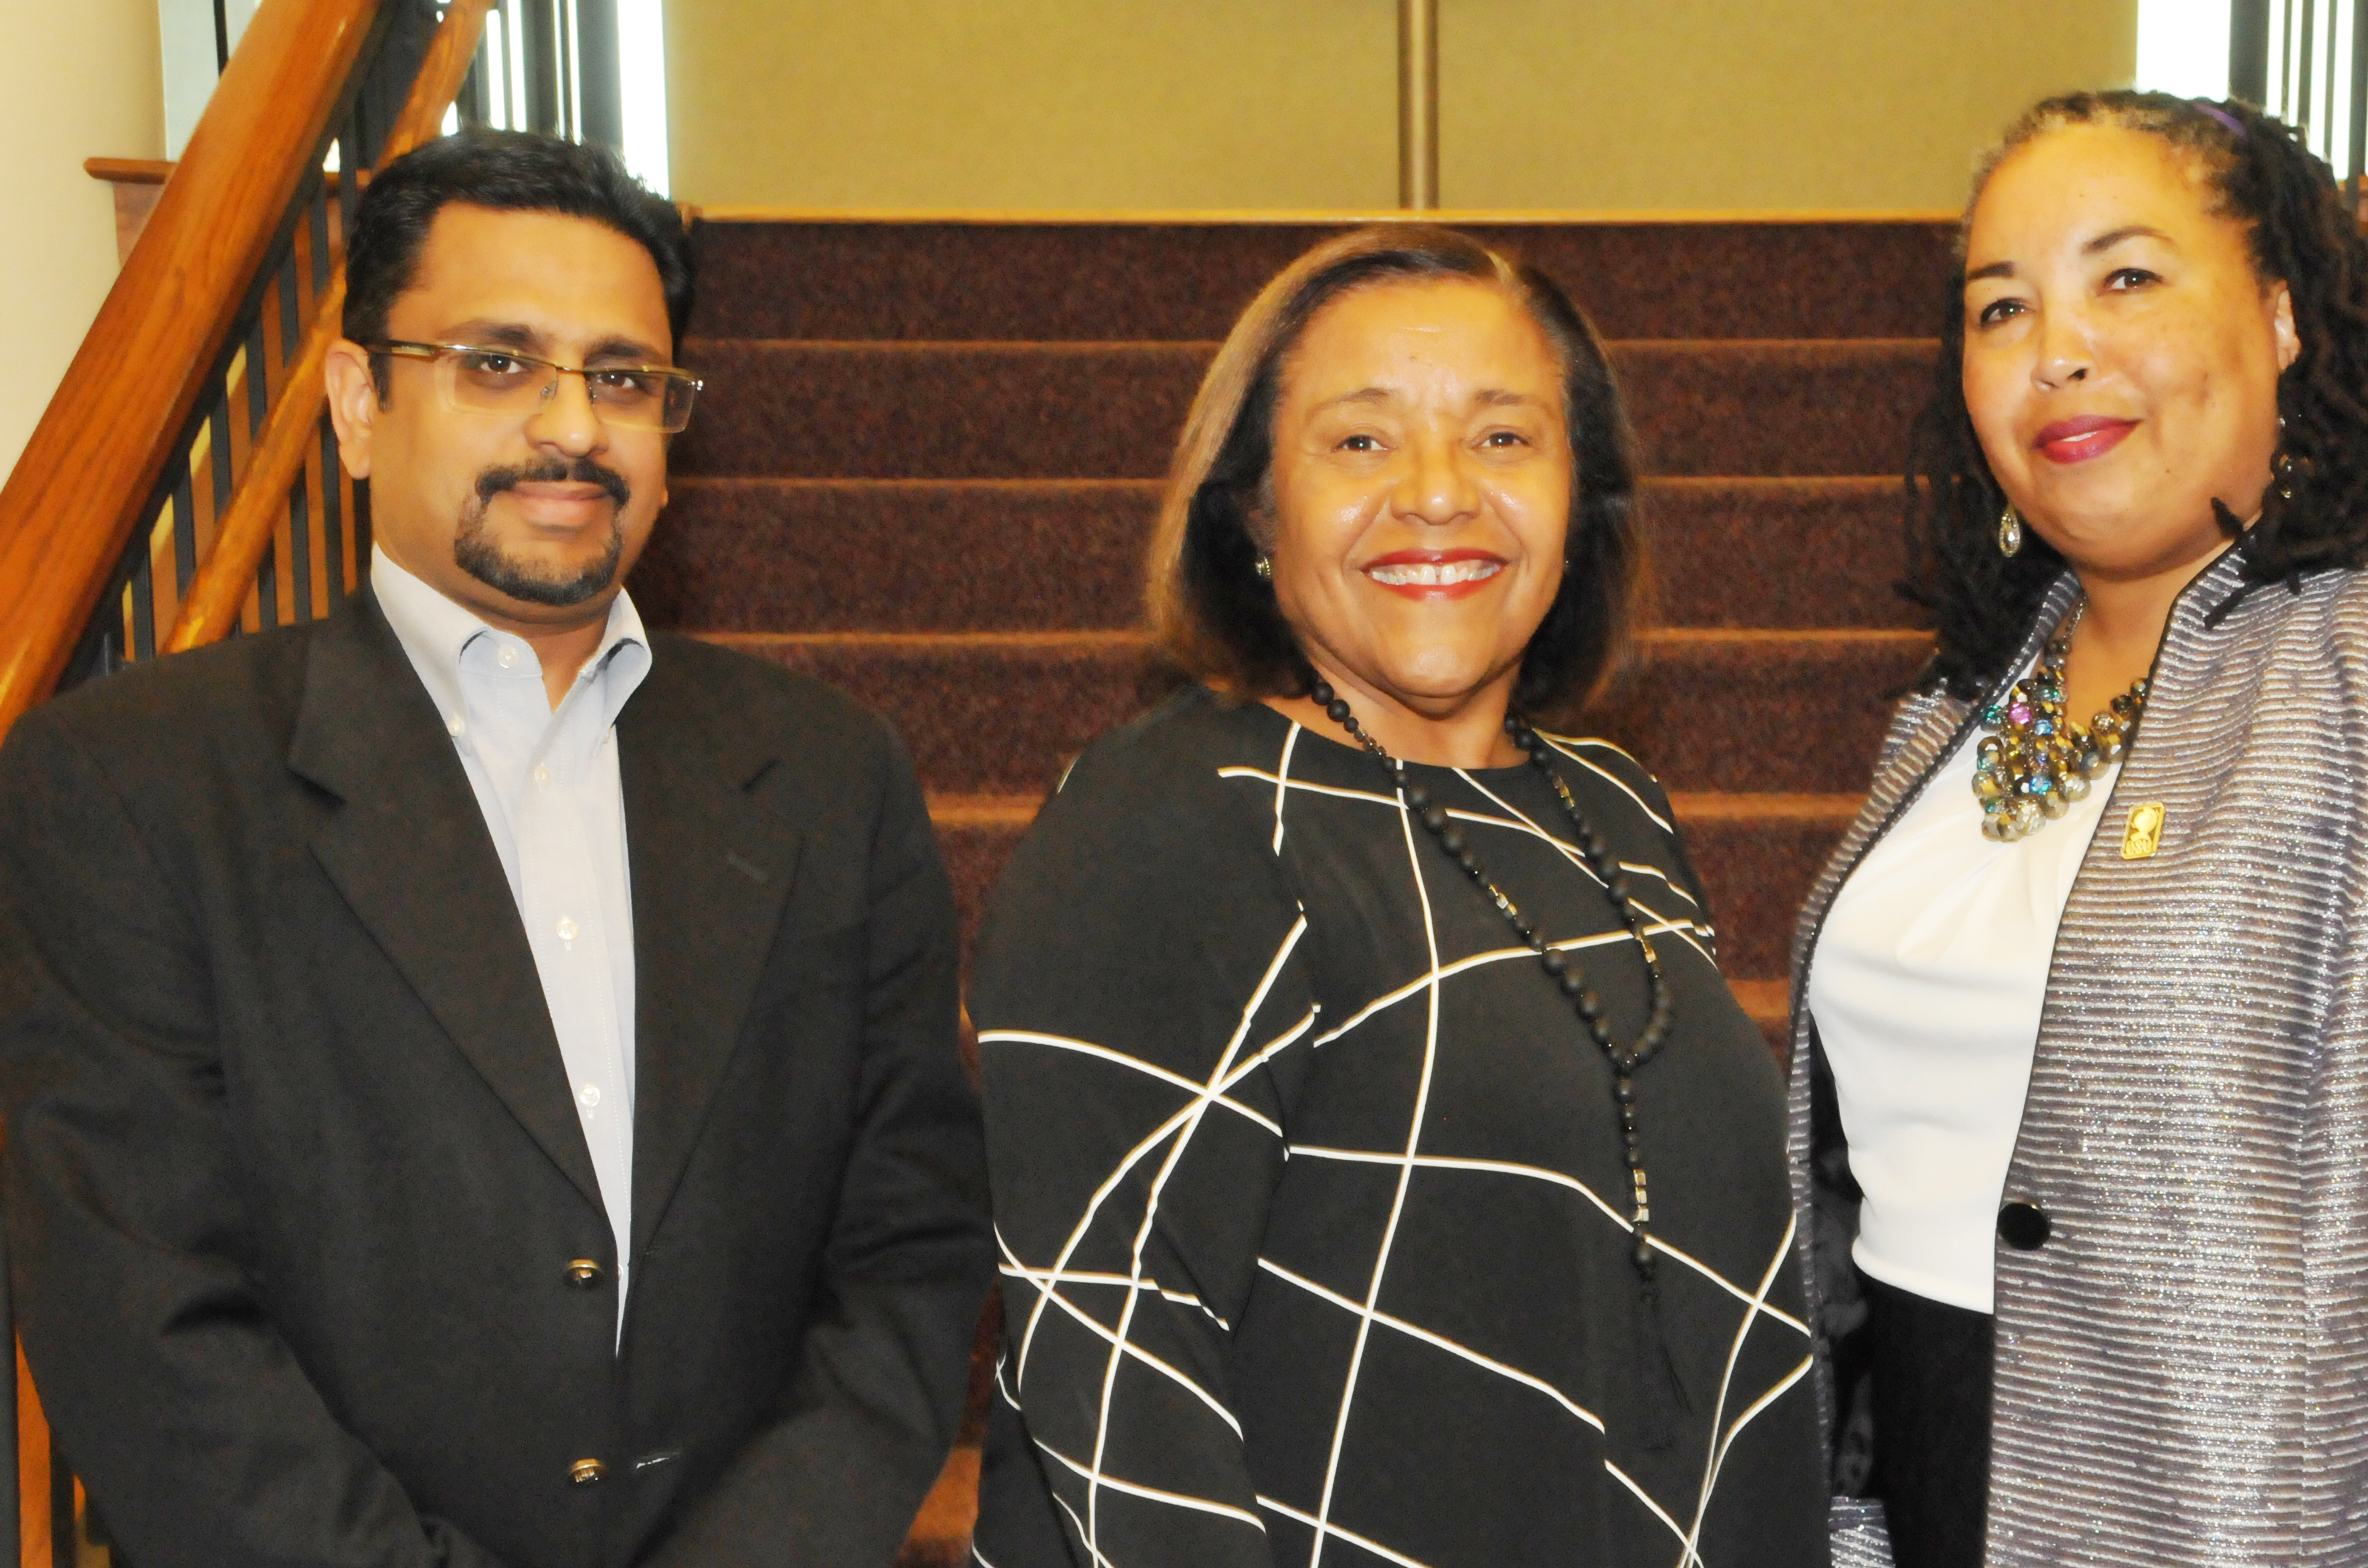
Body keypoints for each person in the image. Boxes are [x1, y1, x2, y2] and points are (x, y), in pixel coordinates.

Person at [0, 130, 994, 1567]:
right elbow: (139, 1310)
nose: (573, 427)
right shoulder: (132, 783)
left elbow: (908, 1243)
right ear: (354, 404)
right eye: (496, 362)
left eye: (622, 376)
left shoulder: (831, 773)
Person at [1790, 92, 2368, 1566]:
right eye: (1998, 306)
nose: (2057, 348)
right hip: (1917, 1493)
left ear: (2282, 315)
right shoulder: (1959, 702)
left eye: (2127, 277)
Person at [965, 225, 1829, 1567]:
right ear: (1252, 504)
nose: (1437, 495)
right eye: (1359, 442)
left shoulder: (1611, 807)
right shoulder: (1171, 818)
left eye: (1502, 438)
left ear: (1579, 489)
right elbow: (1113, 1351)